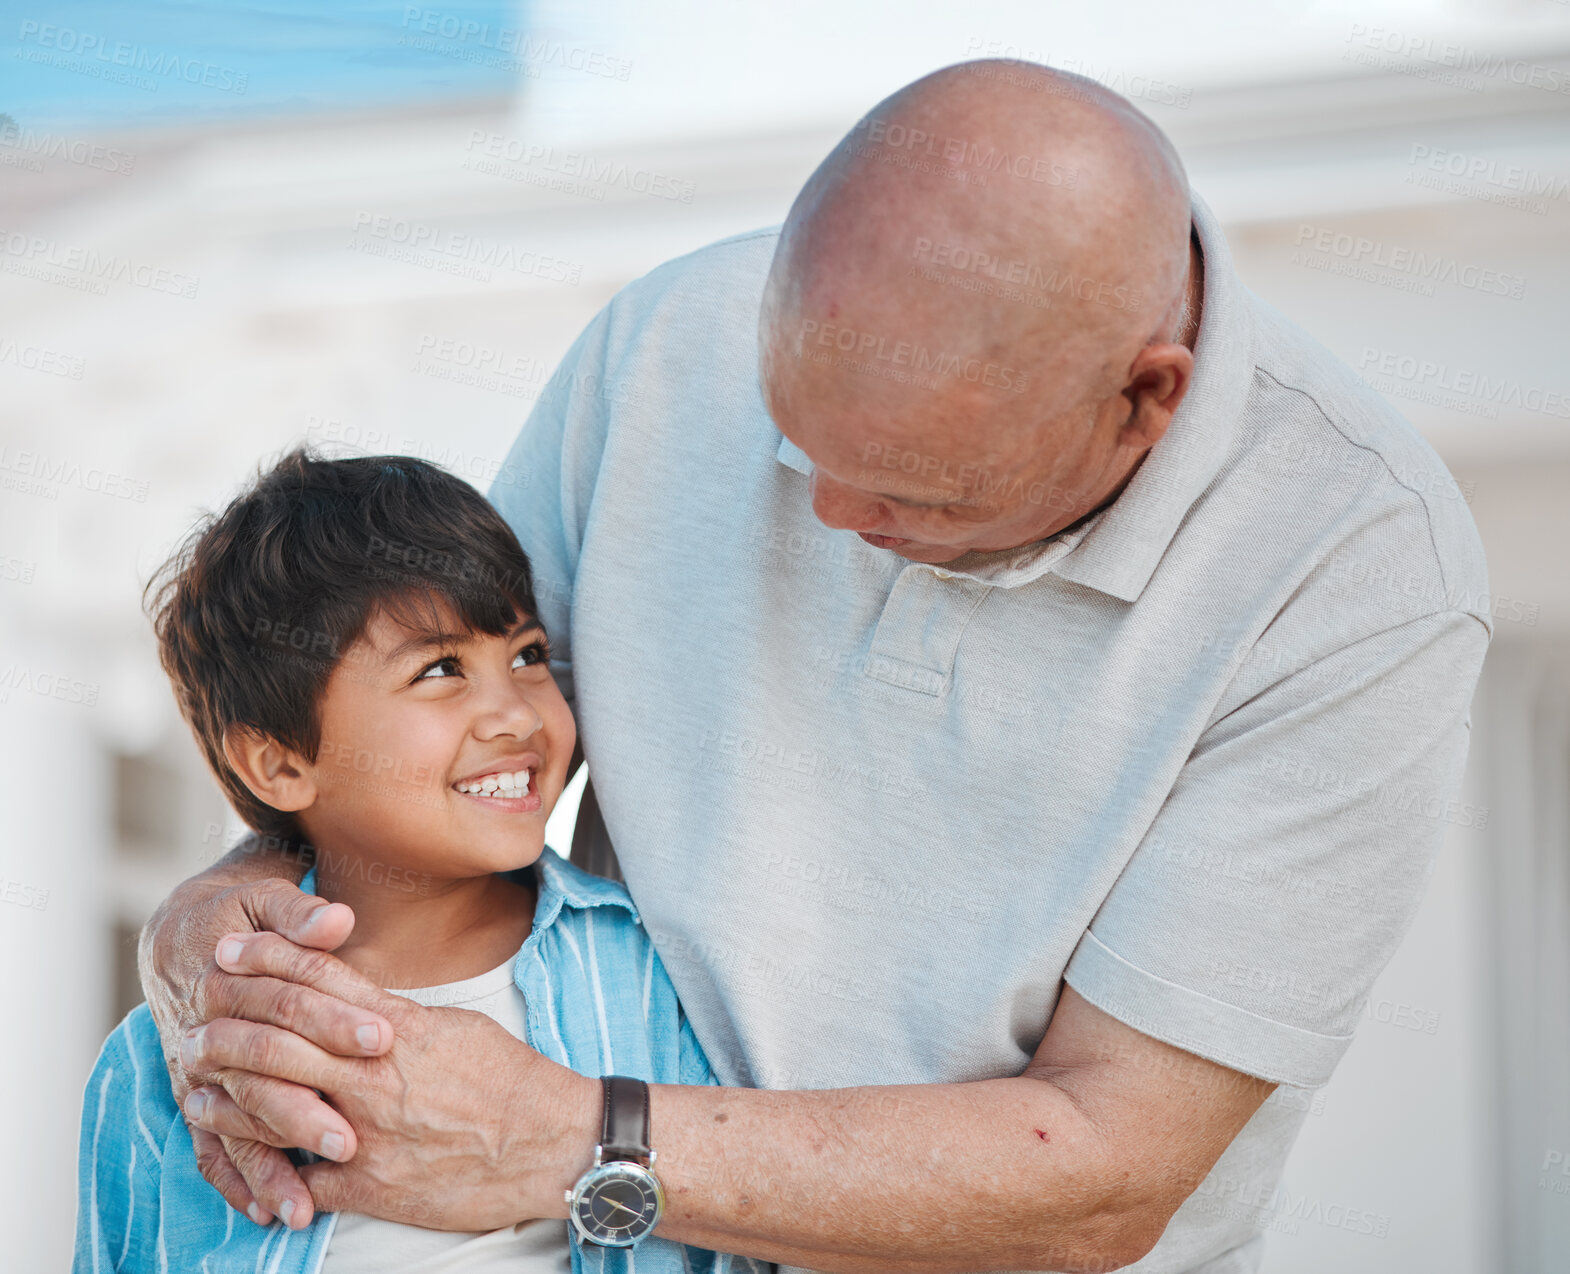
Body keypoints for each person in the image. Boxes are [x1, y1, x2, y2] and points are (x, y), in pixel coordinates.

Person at [132, 61, 1492, 1274]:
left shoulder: (1362, 569)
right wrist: (226, 908)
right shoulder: (674, 342)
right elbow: (422, 725)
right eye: (798, 440)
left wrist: (553, 1135)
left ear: (1143, 397)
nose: (828, 514)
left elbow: (1101, 1172)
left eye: (914, 492)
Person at [73, 449, 768, 1274]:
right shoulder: (172, 1060)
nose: (514, 712)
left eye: (529, 654)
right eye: (441, 670)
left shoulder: (657, 976)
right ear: (281, 763)